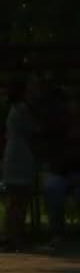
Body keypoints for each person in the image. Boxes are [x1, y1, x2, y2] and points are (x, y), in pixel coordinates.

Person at [1, 77, 40, 251]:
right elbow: (34, 130)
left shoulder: (13, 110)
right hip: (21, 155)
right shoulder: (22, 110)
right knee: (20, 199)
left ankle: (10, 235)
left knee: (14, 199)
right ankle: (15, 236)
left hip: (12, 155)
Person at [42, 89, 79, 247]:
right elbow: (51, 153)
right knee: (52, 187)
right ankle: (57, 232)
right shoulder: (57, 128)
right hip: (60, 172)